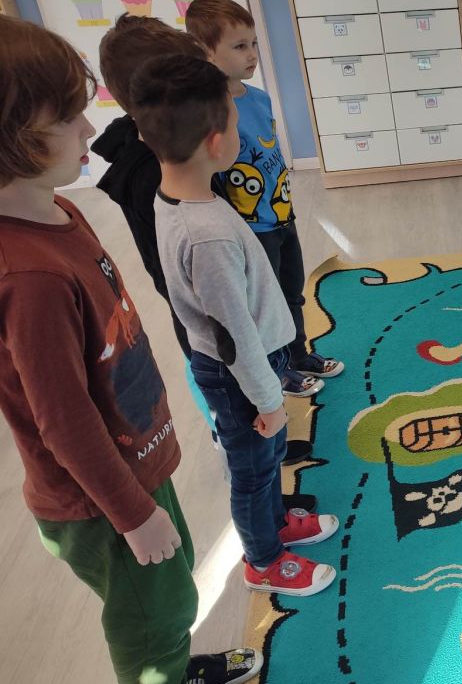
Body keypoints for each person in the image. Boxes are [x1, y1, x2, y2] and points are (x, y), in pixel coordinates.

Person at [0, 15, 266, 684]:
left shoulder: (58, 211)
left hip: (135, 460)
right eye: (67, 118)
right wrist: (131, 513)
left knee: (170, 587)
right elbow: (62, 421)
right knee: (150, 610)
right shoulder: (28, 276)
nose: (89, 129)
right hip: (99, 496)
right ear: (12, 136)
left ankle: (176, 673)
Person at [131, 52, 339, 596]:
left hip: (247, 363)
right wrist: (269, 398)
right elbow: (233, 332)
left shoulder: (183, 197)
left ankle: (276, 524)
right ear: (218, 142)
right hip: (240, 371)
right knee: (252, 470)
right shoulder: (207, 235)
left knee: (266, 459)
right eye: (234, 118)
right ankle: (263, 560)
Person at [94, 14, 318, 494]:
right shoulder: (158, 179)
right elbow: (221, 315)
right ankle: (242, 444)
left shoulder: (171, 160)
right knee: (233, 403)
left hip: (220, 298)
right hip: (210, 315)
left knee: (246, 382)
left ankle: (262, 433)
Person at [185, 0, 342, 397]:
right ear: (206, 51)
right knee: (263, 305)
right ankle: (278, 370)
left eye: (253, 43)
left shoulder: (258, 98)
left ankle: (297, 354)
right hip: (251, 230)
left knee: (292, 292)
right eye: (239, 46)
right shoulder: (208, 111)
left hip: (282, 215)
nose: (252, 54)